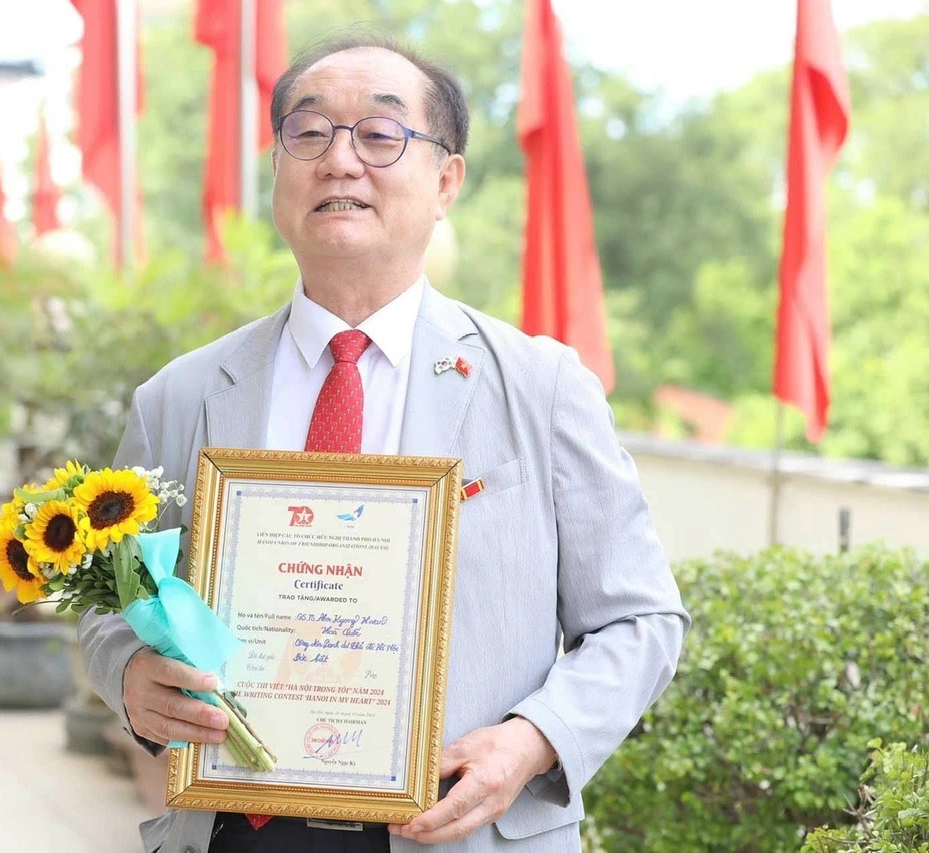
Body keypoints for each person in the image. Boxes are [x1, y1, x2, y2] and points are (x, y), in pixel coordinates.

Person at [78, 33, 690, 853]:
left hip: (456, 830)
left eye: (379, 134)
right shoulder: (179, 397)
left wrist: (533, 739)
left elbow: (640, 618)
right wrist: (127, 673)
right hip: (236, 830)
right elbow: (112, 605)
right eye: (309, 132)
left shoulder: (542, 388)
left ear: (446, 181)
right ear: (277, 170)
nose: (339, 161)